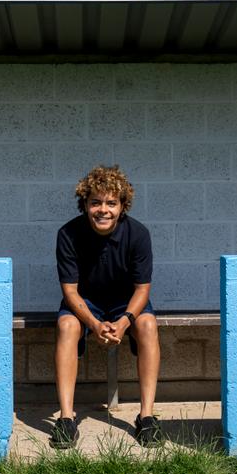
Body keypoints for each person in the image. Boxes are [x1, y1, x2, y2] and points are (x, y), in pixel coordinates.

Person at [50, 164, 162, 449]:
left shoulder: (138, 234)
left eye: (111, 203)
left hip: (126, 302)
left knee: (148, 324)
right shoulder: (68, 234)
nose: (103, 210)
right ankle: (66, 418)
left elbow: (142, 289)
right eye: (95, 202)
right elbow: (70, 290)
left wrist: (124, 321)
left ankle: (147, 417)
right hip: (86, 303)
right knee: (66, 325)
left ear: (122, 206)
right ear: (85, 204)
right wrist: (94, 324)